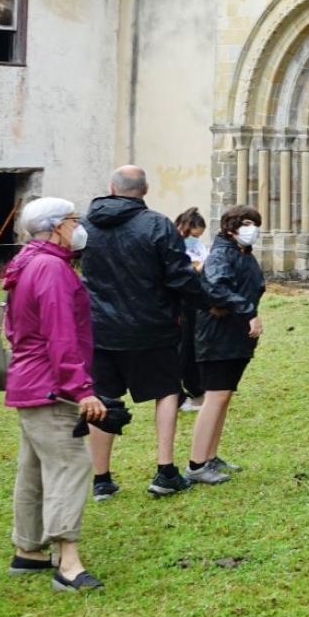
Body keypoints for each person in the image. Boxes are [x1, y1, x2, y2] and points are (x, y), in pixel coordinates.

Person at [81, 166, 209, 500]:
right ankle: (165, 470)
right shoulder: (156, 224)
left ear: (111, 187)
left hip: (101, 327)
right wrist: (204, 300)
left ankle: (101, 478)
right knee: (166, 391)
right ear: (146, 189)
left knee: (104, 397)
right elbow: (179, 275)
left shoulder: (86, 224)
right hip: (151, 324)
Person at [1, 196, 108, 592]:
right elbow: (60, 334)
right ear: (59, 225)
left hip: (28, 380)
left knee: (34, 468)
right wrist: (81, 389)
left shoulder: (28, 260)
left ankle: (28, 551)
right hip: (50, 386)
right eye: (74, 220)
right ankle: (68, 561)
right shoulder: (51, 269)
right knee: (71, 463)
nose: (79, 227)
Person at [186, 205, 266, 486]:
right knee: (215, 396)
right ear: (230, 227)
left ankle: (210, 455)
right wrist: (248, 311)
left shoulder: (242, 254)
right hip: (217, 336)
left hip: (234, 336)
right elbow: (216, 288)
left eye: (255, 223)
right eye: (246, 223)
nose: (251, 228)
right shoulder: (221, 254)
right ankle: (196, 464)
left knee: (224, 395)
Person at [174, 207, 210, 413]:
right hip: (177, 304)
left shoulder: (196, 246)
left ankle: (196, 387)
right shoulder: (170, 244)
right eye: (194, 235)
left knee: (191, 347)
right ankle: (177, 396)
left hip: (192, 303)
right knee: (180, 350)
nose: (195, 240)